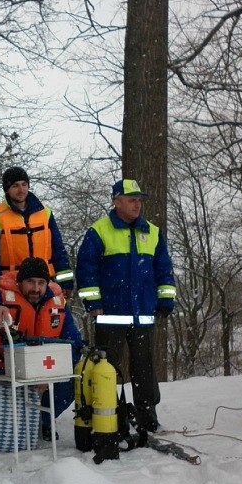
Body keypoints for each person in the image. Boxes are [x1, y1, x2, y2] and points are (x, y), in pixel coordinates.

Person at [75, 178, 177, 432]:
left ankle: (147, 416)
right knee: (108, 369)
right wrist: (93, 302)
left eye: (139, 200)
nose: (137, 205)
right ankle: (111, 416)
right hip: (110, 315)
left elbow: (164, 269)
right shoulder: (99, 231)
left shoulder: (152, 232)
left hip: (143, 314)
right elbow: (87, 270)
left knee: (144, 367)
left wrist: (166, 299)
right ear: (116, 202)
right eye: (132, 200)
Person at [0, 256, 82, 439]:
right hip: (2, 365)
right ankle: (2, 427)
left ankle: (43, 422)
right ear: (20, 281)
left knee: (73, 380)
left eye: (41, 283)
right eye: (30, 282)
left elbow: (74, 343)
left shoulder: (59, 303)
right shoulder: (1, 294)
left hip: (45, 367)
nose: (36, 288)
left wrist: (50, 373)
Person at [0, 166, 74, 293]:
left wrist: (65, 282)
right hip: (11, 284)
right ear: (7, 189)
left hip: (45, 283)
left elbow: (58, 249)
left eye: (24, 184)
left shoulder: (45, 213)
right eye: (15, 186)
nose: (21, 189)